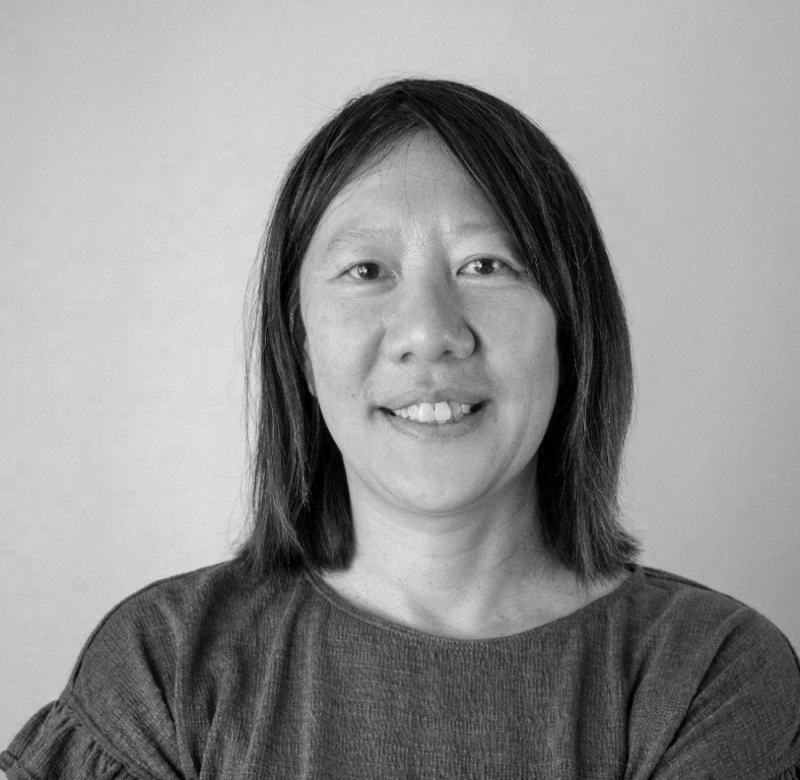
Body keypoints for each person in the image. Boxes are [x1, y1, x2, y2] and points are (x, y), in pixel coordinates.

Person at [2, 78, 799, 780]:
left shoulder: (709, 672)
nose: (428, 331)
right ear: (299, 344)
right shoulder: (167, 665)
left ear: (571, 325)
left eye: (486, 265)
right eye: (367, 271)